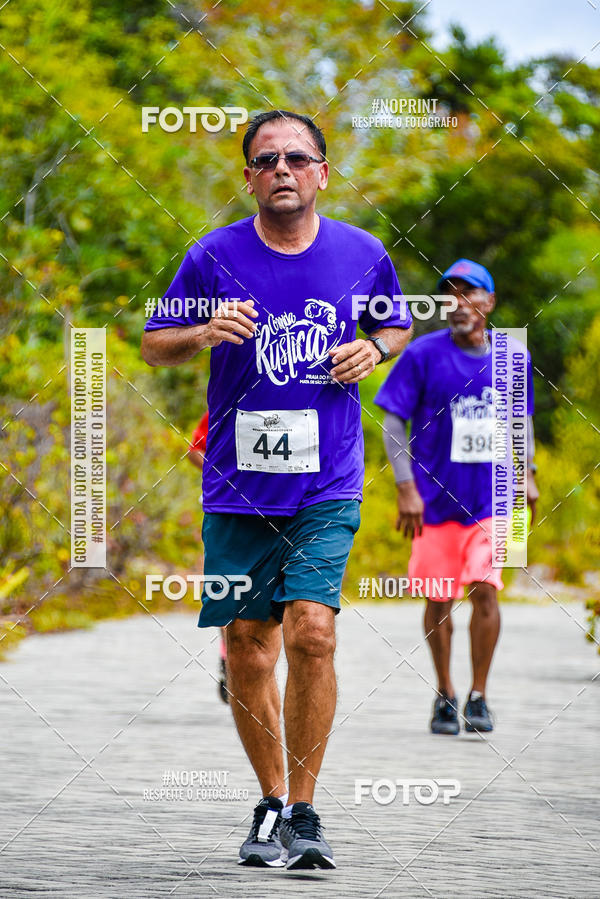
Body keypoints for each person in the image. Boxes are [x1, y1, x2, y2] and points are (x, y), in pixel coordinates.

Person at [141, 109, 413, 870]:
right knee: (247, 648)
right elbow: (153, 343)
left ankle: (305, 807)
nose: (283, 169)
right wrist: (201, 332)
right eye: (267, 160)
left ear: (323, 172)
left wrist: (373, 348)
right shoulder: (211, 256)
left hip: (327, 480)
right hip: (237, 486)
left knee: (312, 631)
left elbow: (394, 327)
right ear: (250, 176)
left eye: (298, 157)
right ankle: (269, 802)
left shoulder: (360, 252)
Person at [375, 259, 539, 735]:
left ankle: (479, 695)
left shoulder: (512, 356)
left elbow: (521, 422)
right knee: (439, 597)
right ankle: (445, 693)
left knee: (486, 590)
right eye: (450, 294)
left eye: (470, 294)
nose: (459, 303)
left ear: (490, 302)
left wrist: (526, 473)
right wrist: (405, 486)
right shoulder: (423, 354)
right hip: (435, 501)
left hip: (494, 498)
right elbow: (392, 421)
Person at [187, 412, 229, 704]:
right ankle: (229, 658)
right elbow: (193, 451)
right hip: (226, 509)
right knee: (228, 589)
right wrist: (221, 474)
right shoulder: (222, 405)